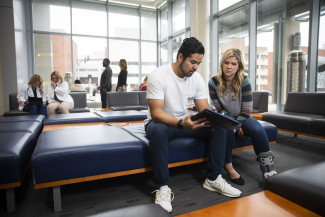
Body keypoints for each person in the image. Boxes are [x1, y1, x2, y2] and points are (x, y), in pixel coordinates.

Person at [145, 37, 242, 213]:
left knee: (218, 127)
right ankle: (162, 187)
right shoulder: (158, 75)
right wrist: (182, 123)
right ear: (180, 57)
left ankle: (213, 178)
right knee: (158, 130)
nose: (196, 67)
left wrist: (216, 119)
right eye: (193, 62)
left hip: (185, 122)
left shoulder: (196, 79)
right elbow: (157, 113)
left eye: (199, 63)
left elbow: (204, 109)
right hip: (162, 123)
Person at [208, 48, 277, 185]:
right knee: (226, 130)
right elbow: (219, 109)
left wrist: (237, 125)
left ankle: (268, 170)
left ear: (239, 66)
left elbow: (246, 111)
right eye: (226, 63)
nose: (229, 67)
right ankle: (228, 166)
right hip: (226, 117)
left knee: (257, 130)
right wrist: (232, 125)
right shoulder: (213, 83)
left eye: (233, 64)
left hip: (242, 117)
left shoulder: (244, 81)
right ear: (222, 63)